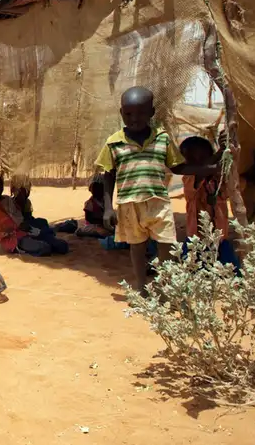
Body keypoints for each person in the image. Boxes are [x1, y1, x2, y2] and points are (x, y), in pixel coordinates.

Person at [95, 87, 217, 292]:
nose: (134, 119)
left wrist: (209, 169)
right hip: (129, 203)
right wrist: (108, 208)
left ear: (151, 113)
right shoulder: (114, 142)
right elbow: (109, 175)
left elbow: (178, 167)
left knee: (167, 243)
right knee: (137, 245)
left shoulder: (162, 138)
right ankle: (141, 287)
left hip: (159, 202)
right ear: (121, 113)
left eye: (141, 113)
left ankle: (165, 286)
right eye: (128, 114)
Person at [179, 136, 241, 269]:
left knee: (229, 270)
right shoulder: (189, 178)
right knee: (193, 270)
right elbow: (204, 170)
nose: (196, 164)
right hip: (197, 238)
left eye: (203, 158)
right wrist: (220, 153)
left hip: (220, 237)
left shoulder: (218, 179)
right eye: (191, 160)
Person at [0, 173, 59, 257]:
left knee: (60, 245)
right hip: (13, 240)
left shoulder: (7, 199)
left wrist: (25, 226)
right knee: (45, 247)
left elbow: (18, 216)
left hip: (23, 232)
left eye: (0, 185)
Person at [5, 179, 69, 253]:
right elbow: (17, 226)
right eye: (22, 190)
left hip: (30, 229)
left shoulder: (26, 202)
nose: (26, 192)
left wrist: (36, 230)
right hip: (19, 236)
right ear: (14, 191)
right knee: (45, 247)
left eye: (27, 190)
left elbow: (28, 219)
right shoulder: (10, 204)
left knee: (43, 223)